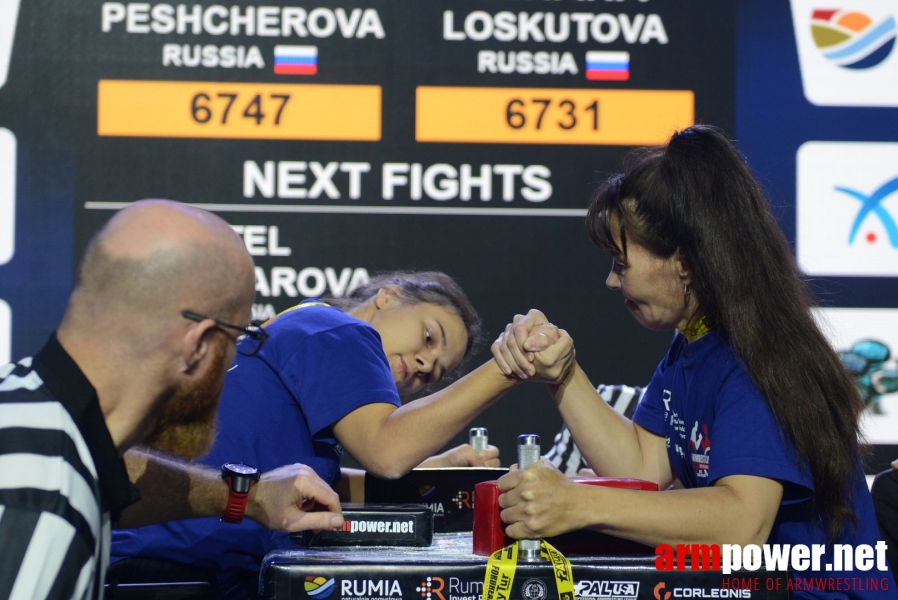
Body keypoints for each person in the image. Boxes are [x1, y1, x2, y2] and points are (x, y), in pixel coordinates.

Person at [492, 125, 896, 598]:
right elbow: (643, 466)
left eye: (621, 265)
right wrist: (563, 376)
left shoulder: (760, 358)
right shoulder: (698, 343)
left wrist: (577, 502)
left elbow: (741, 523)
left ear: (684, 260)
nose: (611, 282)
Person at [0, 200, 342, 600]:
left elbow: (107, 471)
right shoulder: (47, 506)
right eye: (237, 341)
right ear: (198, 346)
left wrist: (246, 495)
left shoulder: (26, 407)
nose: (233, 359)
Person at [111, 271, 519, 583]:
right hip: (166, 563)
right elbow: (387, 451)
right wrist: (514, 364)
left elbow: (305, 486)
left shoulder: (308, 336)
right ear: (388, 295)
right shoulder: (342, 331)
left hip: (173, 561)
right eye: (429, 337)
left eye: (433, 375)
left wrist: (429, 472)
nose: (426, 364)